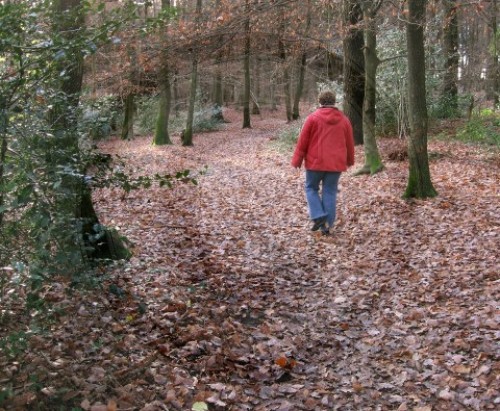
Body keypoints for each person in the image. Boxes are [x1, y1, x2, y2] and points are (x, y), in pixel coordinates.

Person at [291, 90, 355, 236]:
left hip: (315, 163)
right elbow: (350, 143)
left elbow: (303, 142)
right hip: (335, 164)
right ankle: (326, 226)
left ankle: (318, 215)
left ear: (320, 102)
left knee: (311, 188)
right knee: (330, 191)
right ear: (334, 103)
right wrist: (350, 160)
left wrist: (297, 160)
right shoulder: (344, 120)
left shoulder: (312, 118)